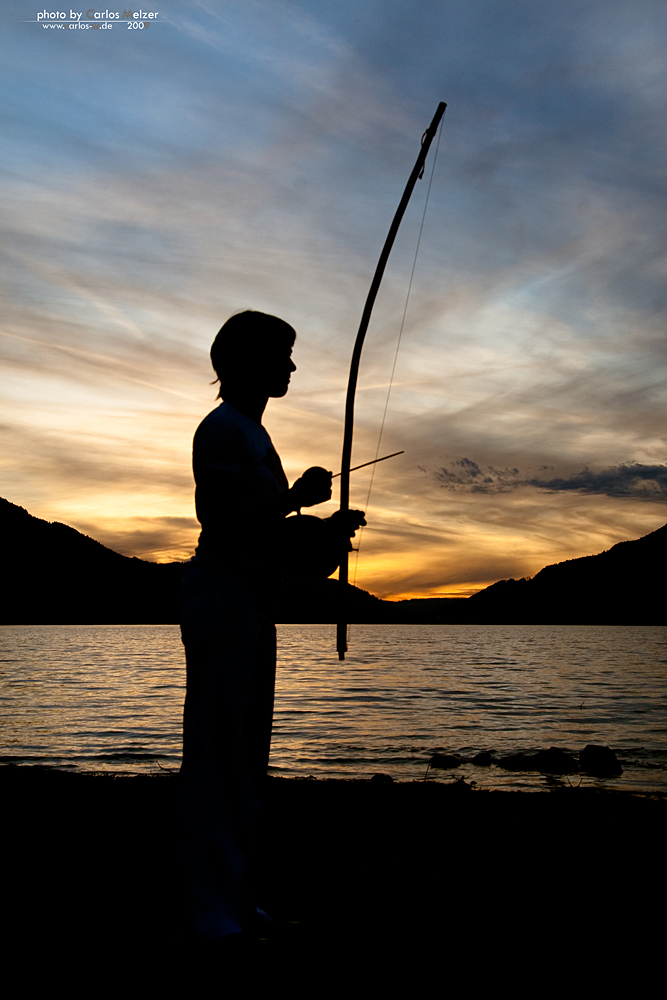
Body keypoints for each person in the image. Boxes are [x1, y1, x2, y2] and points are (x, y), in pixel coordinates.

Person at [178, 310, 364, 945]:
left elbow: (269, 539)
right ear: (246, 360)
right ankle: (208, 913)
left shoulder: (255, 435)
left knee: (246, 759)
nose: (290, 365)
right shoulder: (221, 429)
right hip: (221, 598)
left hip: (252, 601)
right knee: (218, 757)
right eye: (282, 353)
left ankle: (236, 899)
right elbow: (220, 518)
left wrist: (327, 537)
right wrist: (296, 499)